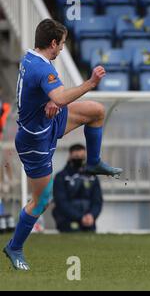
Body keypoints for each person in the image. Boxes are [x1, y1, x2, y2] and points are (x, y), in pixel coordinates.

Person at [3, 18, 122, 271]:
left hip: (49, 121)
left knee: (96, 111)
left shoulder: (31, 58)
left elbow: (46, 94)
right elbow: (57, 94)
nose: (62, 49)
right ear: (53, 43)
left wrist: (50, 102)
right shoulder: (41, 69)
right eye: (62, 44)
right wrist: (90, 83)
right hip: (35, 141)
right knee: (42, 200)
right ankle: (14, 247)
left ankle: (92, 163)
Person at [52, 144, 103, 232]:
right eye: (76, 156)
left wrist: (91, 215)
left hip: (89, 221)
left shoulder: (92, 177)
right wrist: (80, 217)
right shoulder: (61, 177)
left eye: (82, 157)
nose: (79, 159)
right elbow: (61, 202)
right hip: (67, 221)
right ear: (70, 157)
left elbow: (97, 200)